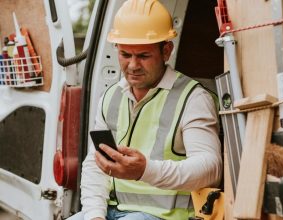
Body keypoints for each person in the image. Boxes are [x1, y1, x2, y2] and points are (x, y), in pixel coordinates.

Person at [68, 0, 222, 219]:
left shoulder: (193, 98)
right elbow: (96, 165)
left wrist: (145, 171)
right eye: (125, 54)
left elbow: (210, 168)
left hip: (165, 216)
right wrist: (94, 215)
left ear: (166, 51)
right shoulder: (110, 97)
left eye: (143, 56)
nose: (132, 66)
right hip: (112, 212)